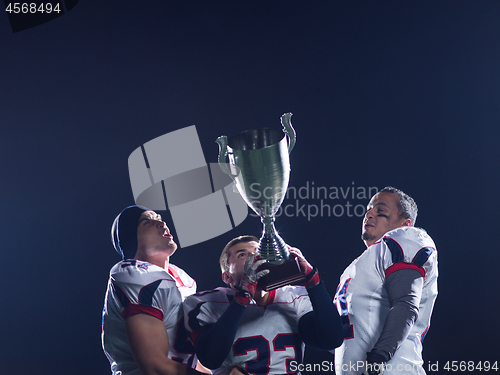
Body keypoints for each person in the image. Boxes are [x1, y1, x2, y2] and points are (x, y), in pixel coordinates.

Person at [183, 235, 344, 375]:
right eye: (242, 255)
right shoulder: (205, 303)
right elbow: (211, 358)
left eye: (257, 253)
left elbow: (331, 340)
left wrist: (313, 282)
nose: (255, 258)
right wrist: (241, 299)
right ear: (227, 277)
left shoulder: (294, 296)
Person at [333, 187, 438, 375]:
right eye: (368, 209)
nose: (369, 214)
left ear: (405, 225)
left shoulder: (404, 239)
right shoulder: (357, 267)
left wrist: (378, 359)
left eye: (380, 211)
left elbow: (406, 305)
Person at [101, 205, 209, 375]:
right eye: (147, 221)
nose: (161, 223)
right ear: (131, 239)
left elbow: (194, 359)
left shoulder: (183, 279)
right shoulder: (135, 275)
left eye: (159, 218)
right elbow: (154, 367)